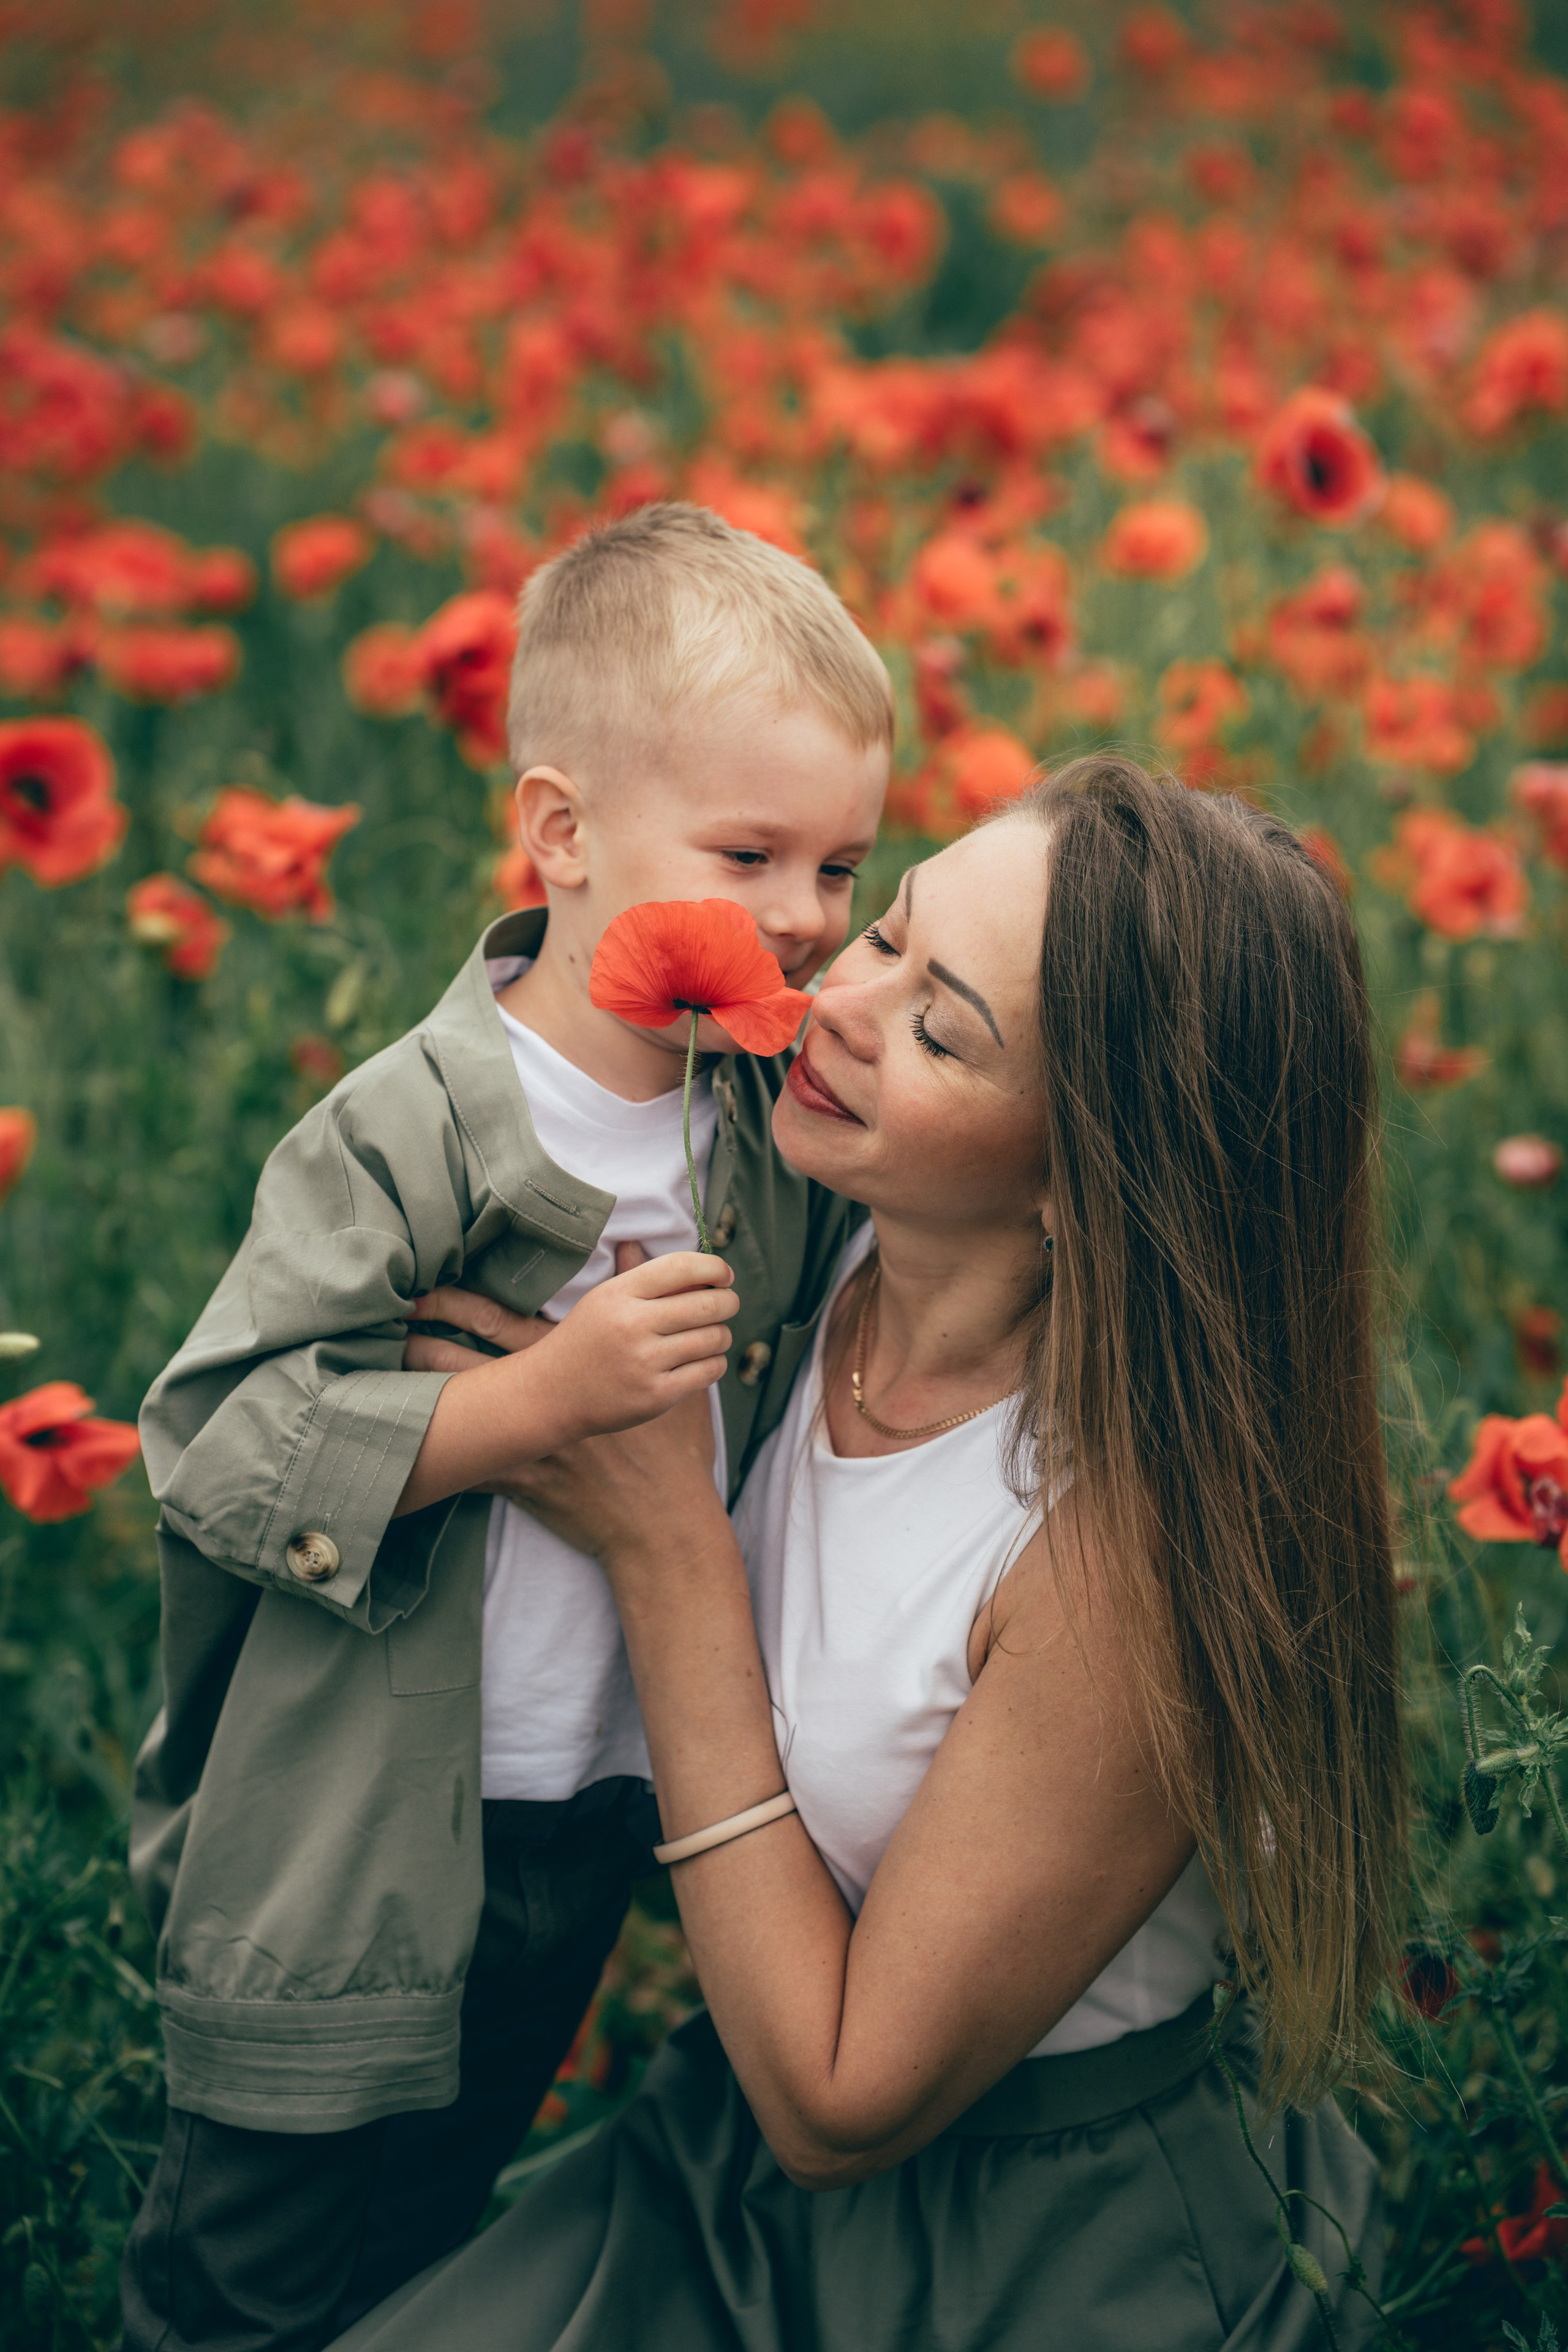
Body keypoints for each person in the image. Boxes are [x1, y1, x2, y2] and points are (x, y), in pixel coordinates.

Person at [337, 756, 1402, 2352]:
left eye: (941, 1025)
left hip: (1017, 2238)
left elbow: (842, 2107)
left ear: (1079, 1184)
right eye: (889, 933)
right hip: (721, 2140)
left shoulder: (1122, 1560)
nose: (837, 1001)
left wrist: (666, 1553)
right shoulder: (793, 1245)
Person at [118, 503, 891, 2352]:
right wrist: (535, 1406)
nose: (805, 916)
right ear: (561, 835)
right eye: (752, 854)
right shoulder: (407, 1131)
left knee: (434, 2227)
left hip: (584, 1820)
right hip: (352, 1829)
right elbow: (213, 1439)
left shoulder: (756, 1122)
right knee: (254, 2256)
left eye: (845, 867)